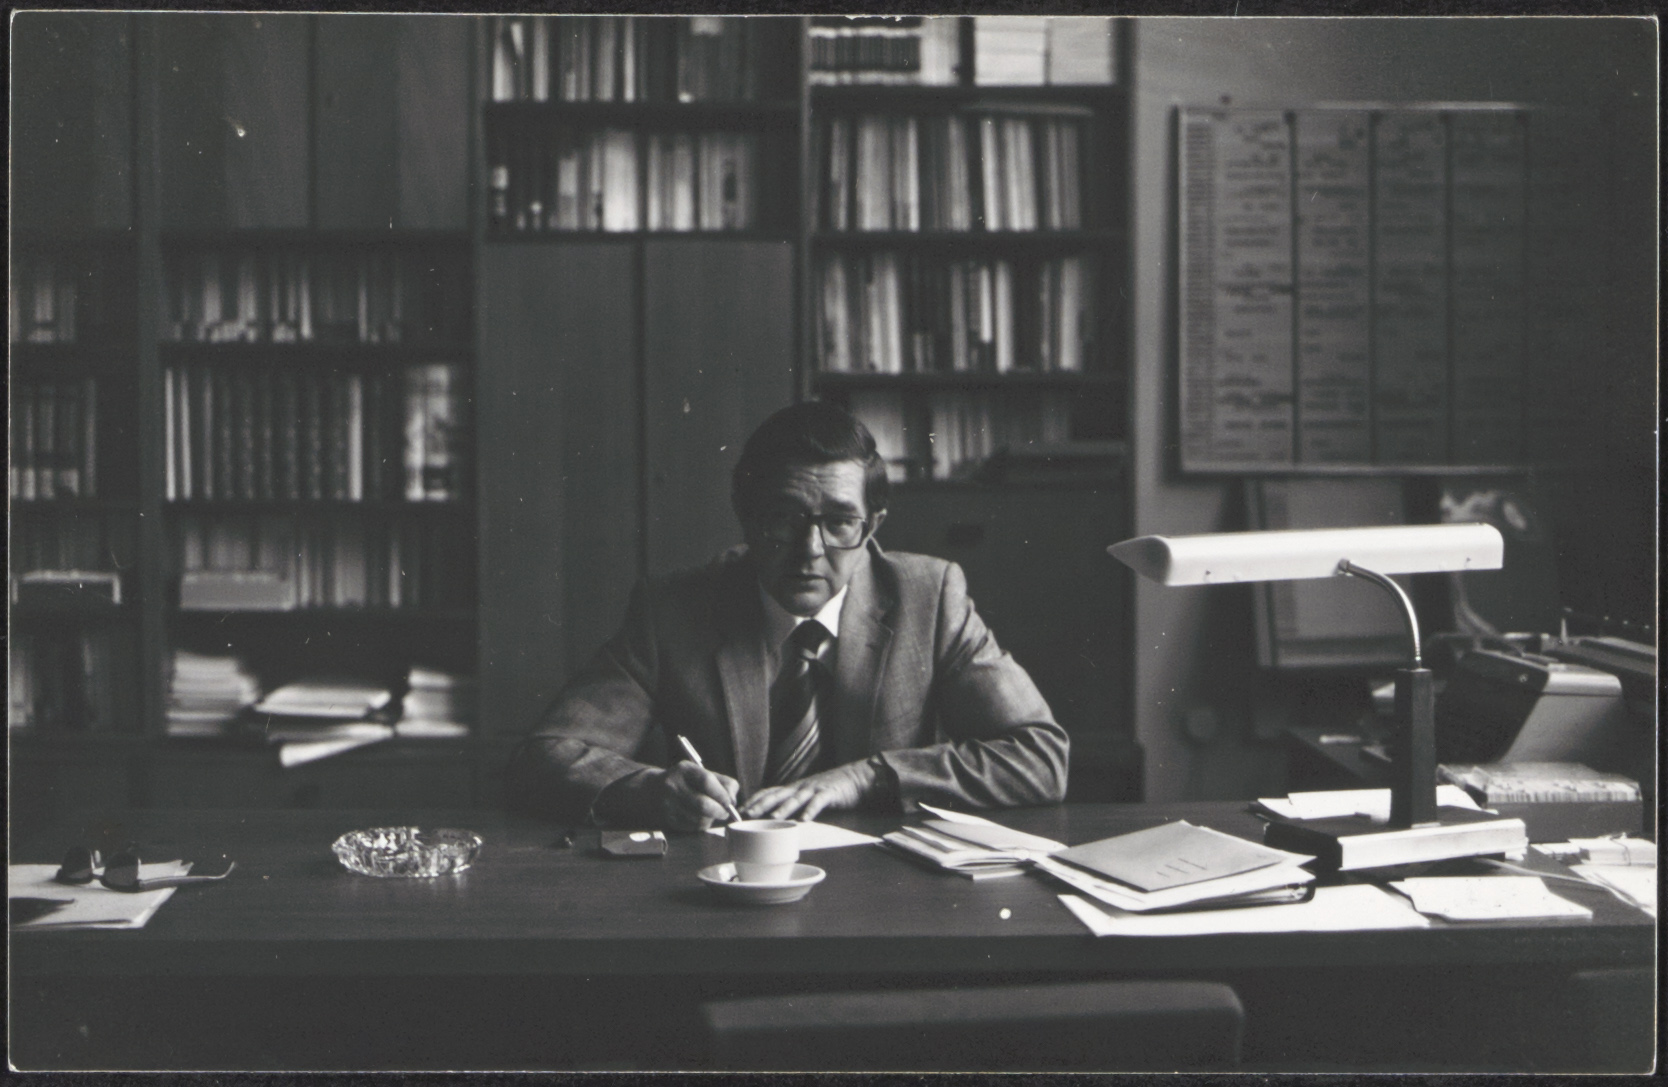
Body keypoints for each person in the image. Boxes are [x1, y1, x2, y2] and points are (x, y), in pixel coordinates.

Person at [506, 400, 1068, 829]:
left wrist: (867, 777)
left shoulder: (930, 597)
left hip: (885, 893)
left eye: (839, 522)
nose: (810, 550)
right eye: (784, 518)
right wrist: (646, 790)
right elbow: (543, 757)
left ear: (872, 525)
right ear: (746, 517)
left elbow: (1040, 758)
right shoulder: (672, 611)